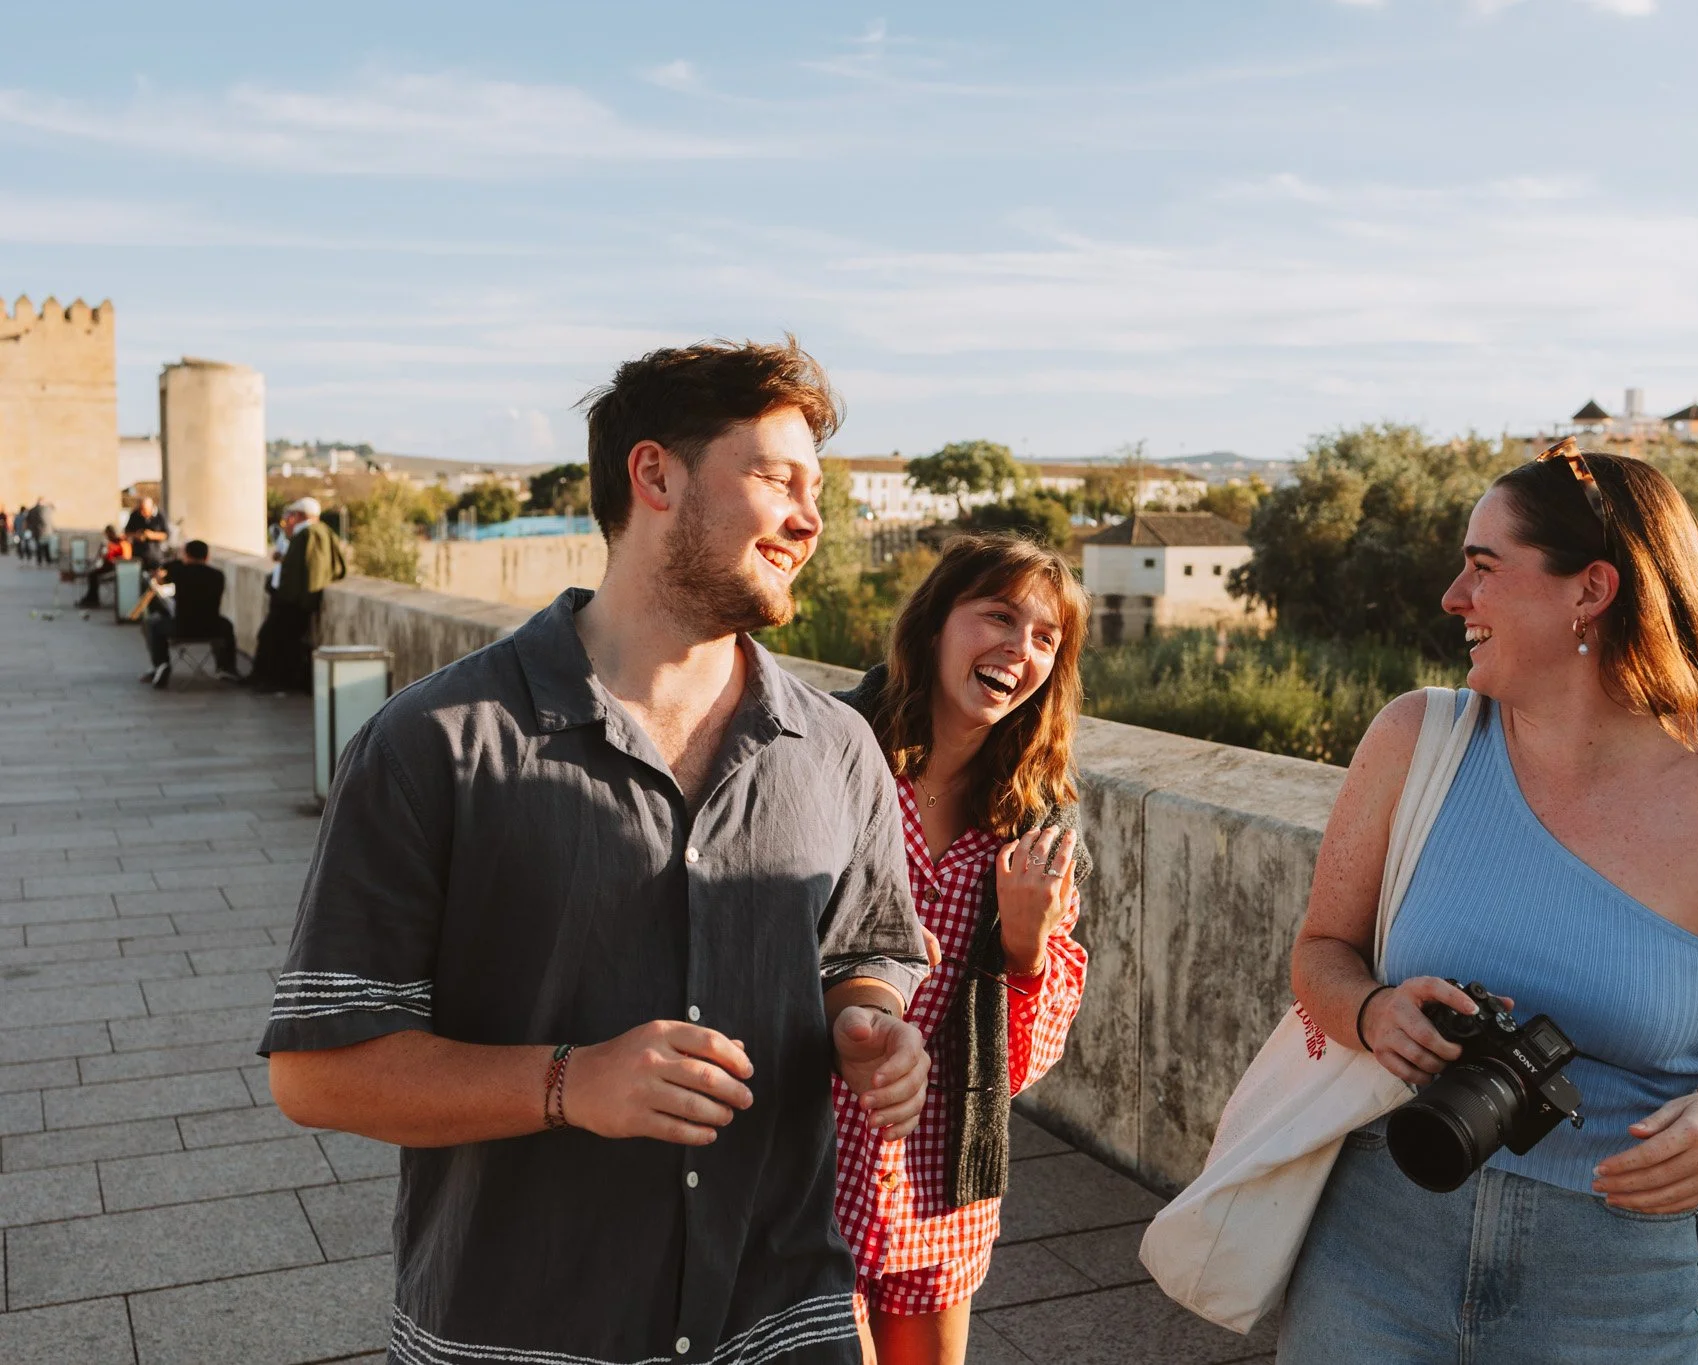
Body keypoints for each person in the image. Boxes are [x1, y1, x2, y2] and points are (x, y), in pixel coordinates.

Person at [262, 338, 934, 1365]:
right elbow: (320, 1075)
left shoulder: (837, 746)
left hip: (783, 1323)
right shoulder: (434, 740)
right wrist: (569, 1084)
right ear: (655, 474)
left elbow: (864, 956)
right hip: (519, 1336)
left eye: (817, 490)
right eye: (777, 479)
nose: (810, 520)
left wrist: (871, 1026)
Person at [1279, 438, 1698, 1364]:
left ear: (1590, 591)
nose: (1453, 597)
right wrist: (1369, 1009)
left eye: (1483, 568)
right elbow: (1321, 947)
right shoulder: (1416, 738)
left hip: (1610, 1281)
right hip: (1376, 1234)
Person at [830, 533, 1091, 1365]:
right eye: (999, 616)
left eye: (1046, 636)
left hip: (941, 1177)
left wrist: (1024, 942)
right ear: (937, 623)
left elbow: (1021, 1066)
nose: (1021, 647)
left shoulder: (1037, 825)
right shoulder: (833, 758)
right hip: (807, 1160)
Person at [247, 497, 345, 692]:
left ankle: (277, 682)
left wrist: (296, 599)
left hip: (292, 601)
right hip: (290, 599)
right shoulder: (309, 532)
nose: (287, 520)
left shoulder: (309, 533)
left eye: (291, 516)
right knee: (273, 639)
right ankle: (266, 679)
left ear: (299, 516)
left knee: (280, 641)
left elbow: (311, 569)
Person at [133, 540, 239, 687]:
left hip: (182, 627)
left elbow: (160, 579)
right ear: (207, 556)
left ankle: (161, 664)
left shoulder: (179, 572)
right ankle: (227, 667)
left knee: (152, 623)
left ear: (186, 555)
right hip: (213, 627)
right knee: (227, 624)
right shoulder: (217, 575)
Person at [73, 524, 134, 608]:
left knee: (94, 576)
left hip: (116, 568)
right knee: (92, 575)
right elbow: (104, 556)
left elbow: (126, 558)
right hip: (107, 566)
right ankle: (91, 598)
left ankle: (93, 600)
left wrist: (114, 560)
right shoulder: (110, 543)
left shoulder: (122, 542)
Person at [123, 495, 170, 570]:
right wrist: (136, 535)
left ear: (151, 508)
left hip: (155, 557)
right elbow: (126, 532)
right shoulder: (135, 515)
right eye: (140, 509)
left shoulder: (160, 516)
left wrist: (152, 535)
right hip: (138, 556)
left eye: (144, 510)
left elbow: (166, 535)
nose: (142, 512)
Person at [23, 498, 52, 565]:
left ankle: (39, 560)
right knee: (46, 546)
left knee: (38, 546)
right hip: (45, 532)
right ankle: (48, 560)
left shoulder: (32, 510)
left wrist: (30, 528)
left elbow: (28, 521)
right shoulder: (45, 509)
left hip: (36, 531)